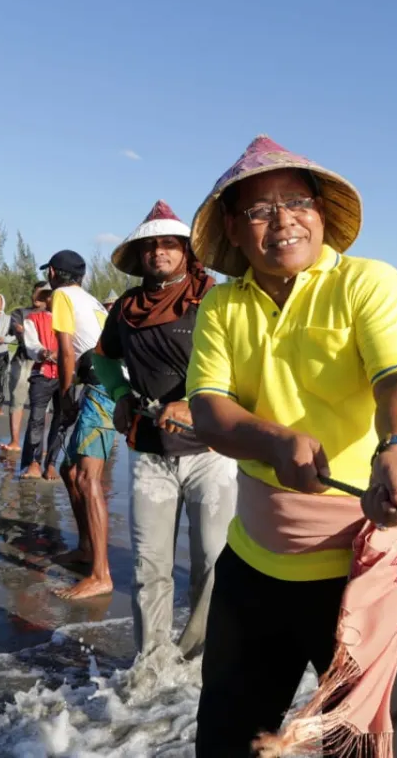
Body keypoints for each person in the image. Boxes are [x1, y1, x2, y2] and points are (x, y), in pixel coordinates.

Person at [185, 135, 397, 757]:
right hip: (253, 567)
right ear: (233, 231)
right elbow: (208, 409)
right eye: (258, 210)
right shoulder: (221, 305)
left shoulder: (367, 282)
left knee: (372, 745)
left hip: (362, 572)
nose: (283, 220)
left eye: (297, 201)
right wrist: (271, 439)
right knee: (226, 743)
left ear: (321, 213)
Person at [92, 200, 238, 661]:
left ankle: (197, 660)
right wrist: (119, 394)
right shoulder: (126, 309)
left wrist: (197, 404)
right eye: (150, 246)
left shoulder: (215, 300)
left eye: (169, 244)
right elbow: (102, 357)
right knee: (148, 565)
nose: (158, 252)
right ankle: (152, 663)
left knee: (212, 562)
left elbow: (245, 367)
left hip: (211, 452)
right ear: (140, 256)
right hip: (149, 450)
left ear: (186, 251)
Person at [40, 250, 116, 600]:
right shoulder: (89, 299)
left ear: (54, 273)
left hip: (103, 387)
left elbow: (67, 351)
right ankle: (86, 548)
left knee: (87, 478)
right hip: (104, 382)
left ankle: (101, 575)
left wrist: (66, 396)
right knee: (69, 470)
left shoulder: (62, 296)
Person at [20, 285, 62, 479]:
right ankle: (33, 462)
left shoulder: (71, 320)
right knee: (36, 419)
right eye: (51, 296)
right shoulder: (33, 319)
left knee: (61, 421)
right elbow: (31, 345)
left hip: (66, 375)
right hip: (41, 374)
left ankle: (51, 463)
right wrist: (44, 352)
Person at [3, 282, 49, 452]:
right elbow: (19, 332)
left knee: (42, 405)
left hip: (45, 363)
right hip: (23, 360)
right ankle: (15, 441)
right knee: (17, 400)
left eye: (41, 293)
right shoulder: (20, 312)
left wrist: (28, 331)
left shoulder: (52, 314)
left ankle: (39, 445)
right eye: (35, 292)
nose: (37, 296)